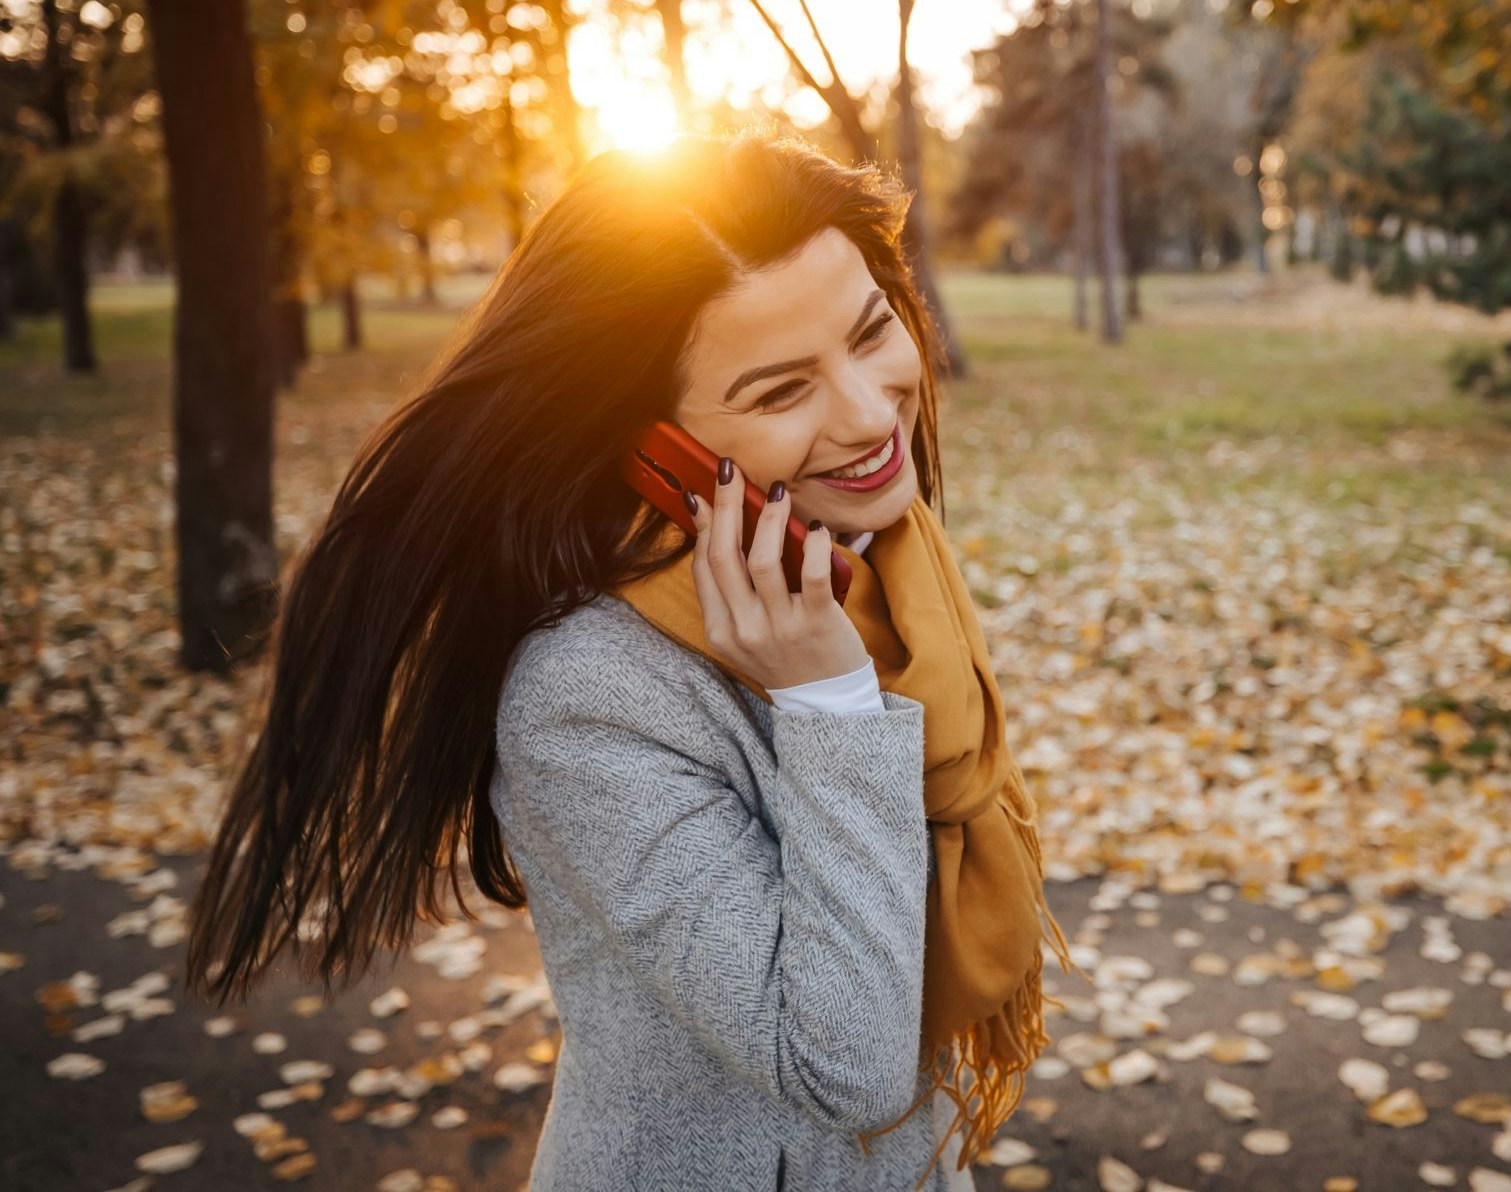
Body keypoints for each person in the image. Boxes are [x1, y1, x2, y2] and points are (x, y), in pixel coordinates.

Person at [182, 132, 1076, 1191]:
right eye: (782, 390)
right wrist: (827, 702)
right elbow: (844, 1067)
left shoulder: (875, 568)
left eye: (871, 329)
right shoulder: (585, 694)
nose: (870, 410)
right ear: (654, 446)